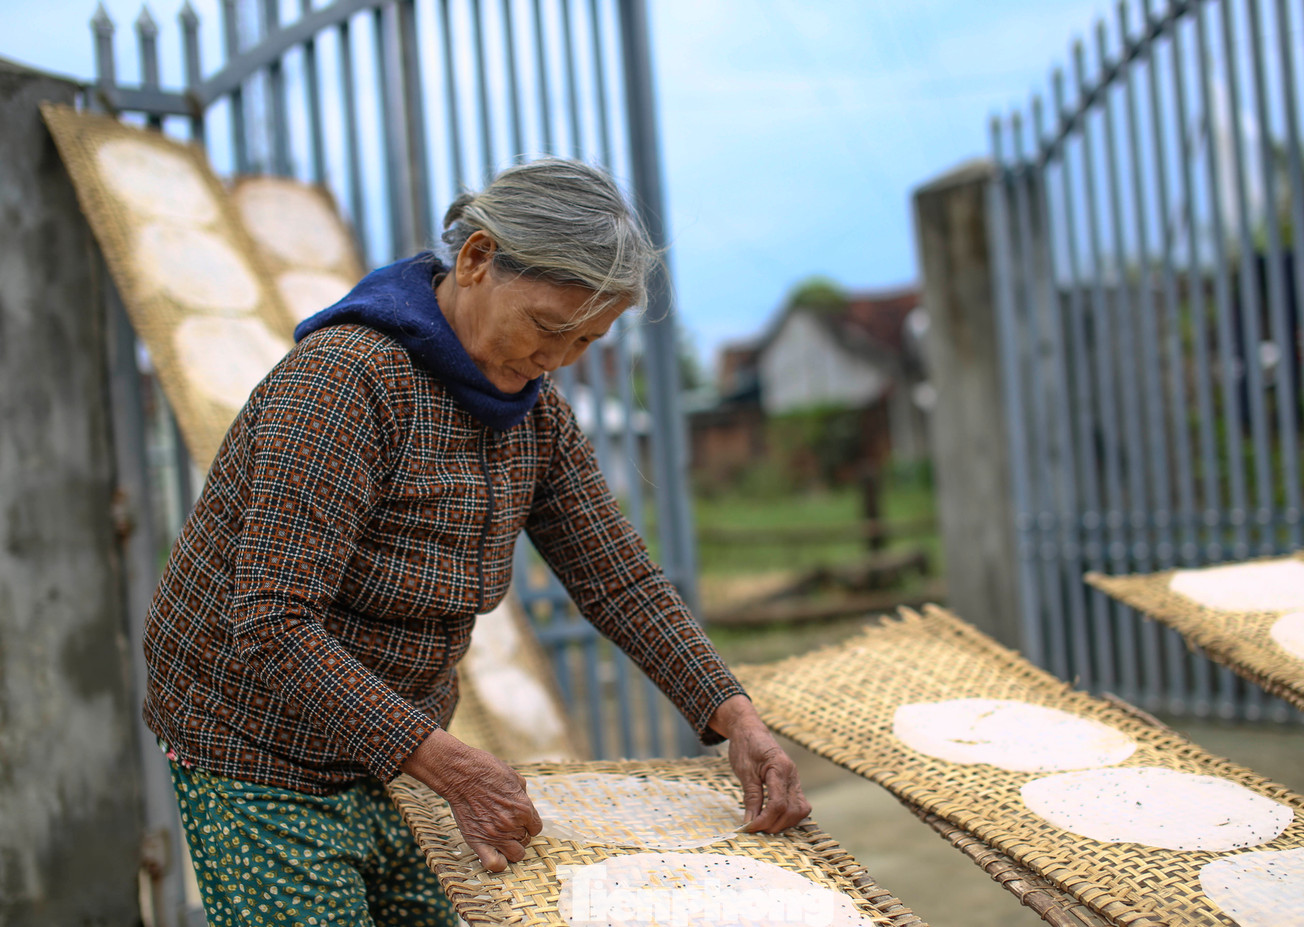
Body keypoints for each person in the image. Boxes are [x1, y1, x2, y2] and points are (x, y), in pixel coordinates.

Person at [143, 158, 810, 925]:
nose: (556, 359)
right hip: (253, 743)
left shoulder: (535, 415)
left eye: (586, 340)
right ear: (477, 259)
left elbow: (619, 580)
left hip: (397, 746)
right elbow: (272, 621)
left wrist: (737, 716)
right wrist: (447, 764)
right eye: (548, 326)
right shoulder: (343, 384)